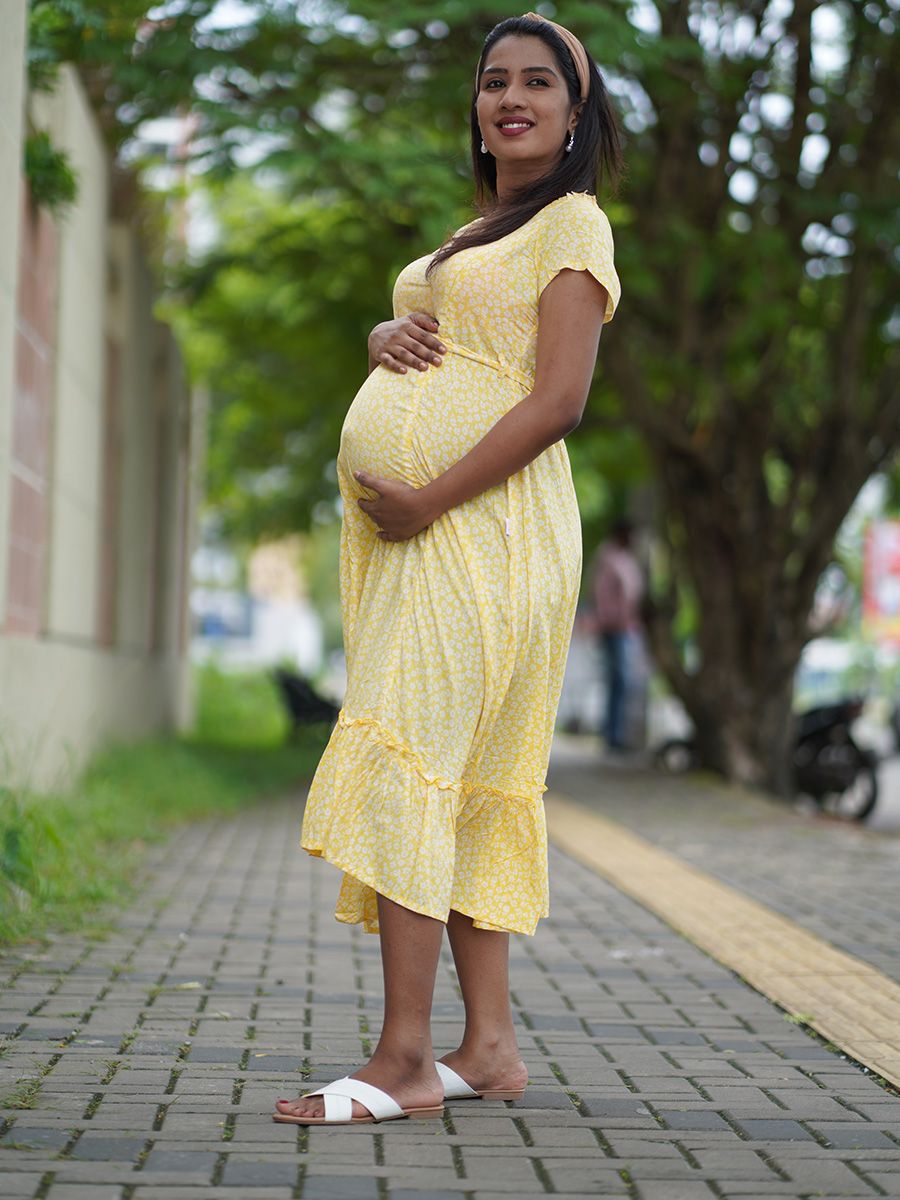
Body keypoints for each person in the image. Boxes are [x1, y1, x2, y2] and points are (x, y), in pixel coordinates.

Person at [274, 12, 622, 1127]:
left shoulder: (573, 222)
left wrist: (427, 496)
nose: (509, 98)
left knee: (409, 755)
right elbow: (448, 339)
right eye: (493, 83)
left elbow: (559, 398)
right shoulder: (481, 233)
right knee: (462, 783)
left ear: (575, 116)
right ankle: (492, 1048)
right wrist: (385, 336)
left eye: (537, 84)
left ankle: (405, 1059)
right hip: (436, 533)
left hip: (486, 529)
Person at [590, 519, 644, 751]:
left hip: (626, 627)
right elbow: (602, 595)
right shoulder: (609, 560)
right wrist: (611, 619)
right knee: (619, 680)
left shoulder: (625, 559)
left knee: (623, 682)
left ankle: (618, 732)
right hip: (615, 628)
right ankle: (613, 735)